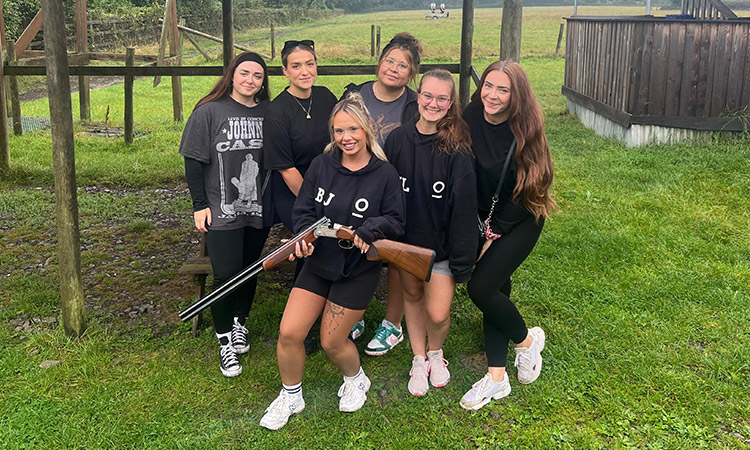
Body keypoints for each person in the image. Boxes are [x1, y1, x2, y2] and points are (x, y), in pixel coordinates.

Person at [259, 94, 405, 430]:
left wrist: (367, 230)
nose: (346, 137)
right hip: (319, 263)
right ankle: (291, 395)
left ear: (366, 129)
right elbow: (305, 211)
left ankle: (355, 379)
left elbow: (396, 220)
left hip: (356, 270)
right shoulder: (322, 165)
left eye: (353, 129)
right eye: (339, 131)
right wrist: (303, 240)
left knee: (331, 341)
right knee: (289, 333)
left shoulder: (384, 173)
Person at [459, 60, 556, 410]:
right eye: (489, 85)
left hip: (521, 216)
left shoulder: (526, 129)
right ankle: (497, 378)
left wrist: (493, 232)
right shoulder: (470, 117)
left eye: (503, 90)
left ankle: (526, 342)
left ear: (517, 95)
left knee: (480, 287)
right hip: (484, 217)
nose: (493, 96)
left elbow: (533, 187)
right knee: (495, 289)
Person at [384, 69, 477, 396]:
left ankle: (436, 353)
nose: (433, 103)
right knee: (411, 297)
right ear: (417, 95)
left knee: (437, 313)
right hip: (406, 243)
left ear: (451, 103)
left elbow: (464, 207)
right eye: (427, 95)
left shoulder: (458, 148)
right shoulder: (396, 140)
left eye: (441, 98)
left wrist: (463, 257)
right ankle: (418, 357)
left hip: (440, 247)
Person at [179, 52, 271, 377]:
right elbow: (193, 160)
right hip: (220, 209)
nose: (250, 80)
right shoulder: (209, 112)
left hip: (258, 208)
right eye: (244, 73)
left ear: (263, 82)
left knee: (249, 270)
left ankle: (239, 324)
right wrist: (199, 204)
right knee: (226, 274)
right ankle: (224, 343)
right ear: (232, 75)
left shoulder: (268, 113)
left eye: (257, 76)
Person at [341, 32, 423, 357]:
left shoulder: (415, 105)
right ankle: (354, 312)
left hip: (397, 191)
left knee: (396, 255)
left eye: (402, 65)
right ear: (379, 62)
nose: (393, 68)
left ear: (411, 73)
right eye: (389, 60)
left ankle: (393, 323)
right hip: (356, 185)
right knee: (353, 247)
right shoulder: (355, 94)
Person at [264, 39, 338, 354]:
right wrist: (320, 205)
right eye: (296, 66)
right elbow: (286, 170)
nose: (304, 71)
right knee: (310, 239)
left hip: (330, 185)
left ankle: (341, 306)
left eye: (309, 63)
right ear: (285, 71)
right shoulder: (277, 111)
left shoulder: (325, 97)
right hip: (294, 192)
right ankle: (305, 321)